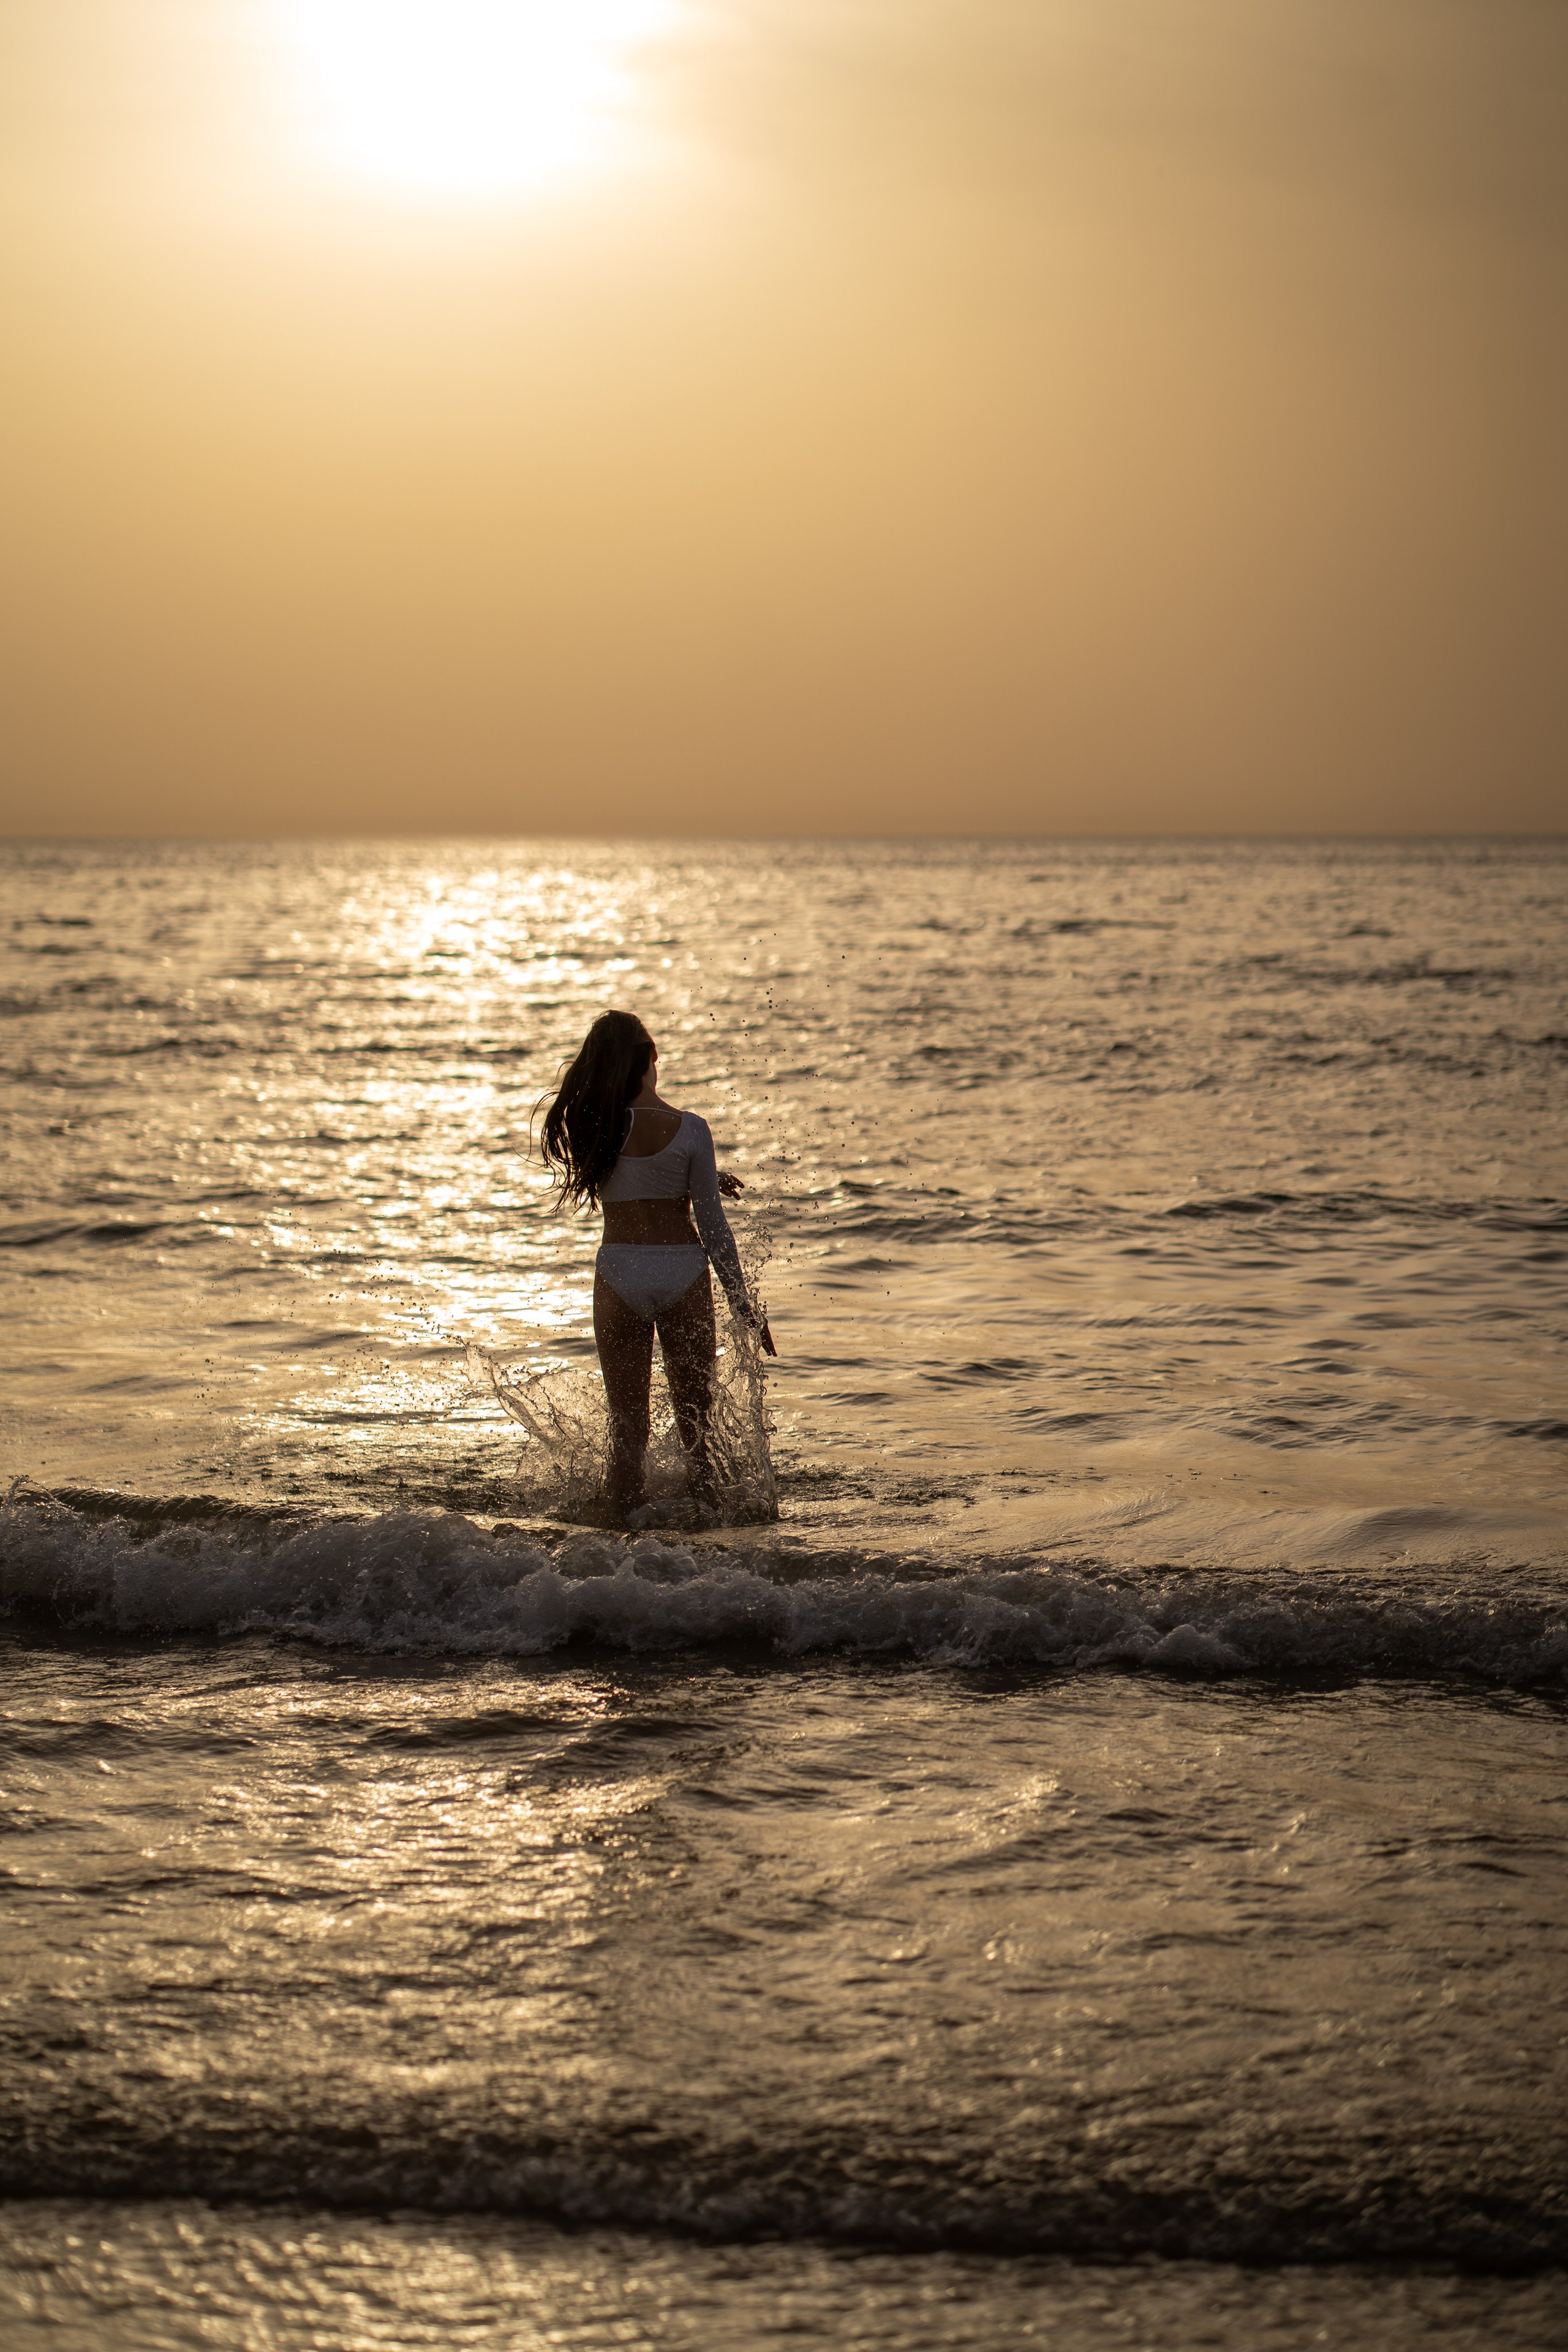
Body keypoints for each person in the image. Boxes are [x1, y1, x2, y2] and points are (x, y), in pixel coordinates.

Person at [540, 1010, 775, 1519]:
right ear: (652, 1057)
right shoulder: (692, 1131)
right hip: (683, 1273)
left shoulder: (593, 1127)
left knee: (627, 1431)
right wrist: (742, 1304)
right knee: (698, 1433)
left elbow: (634, 1174)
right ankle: (702, 1555)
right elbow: (714, 1231)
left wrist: (708, 1179)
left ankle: (620, 1555)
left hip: (619, 1273)